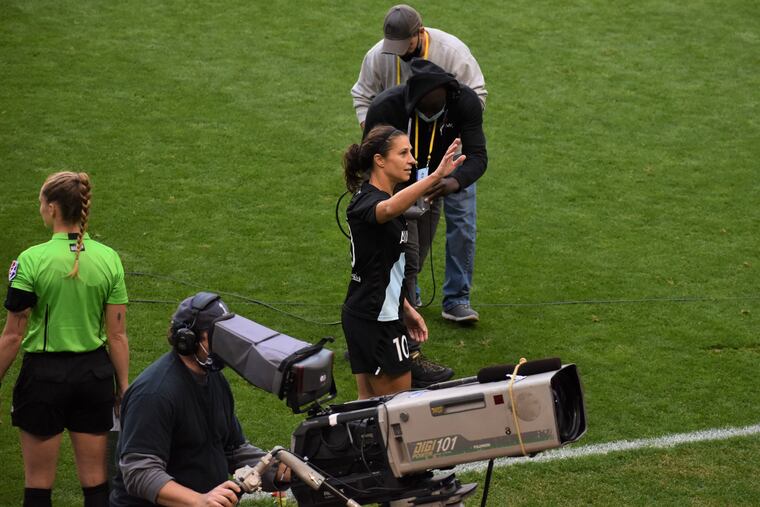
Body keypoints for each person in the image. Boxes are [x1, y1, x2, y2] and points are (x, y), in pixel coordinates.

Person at [351, 4, 488, 325]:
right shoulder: (379, 56)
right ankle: (405, 295)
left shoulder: (452, 52)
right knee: (403, 229)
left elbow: (477, 95)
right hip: (399, 158)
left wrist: (452, 126)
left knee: (462, 224)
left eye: (405, 45)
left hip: (448, 152)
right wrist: (377, 137)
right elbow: (362, 94)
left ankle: (456, 300)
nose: (399, 53)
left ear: (419, 33)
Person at [0, 171, 130, 507]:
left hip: (44, 379)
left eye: (41, 201)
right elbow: (116, 334)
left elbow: (13, 336)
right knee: (96, 486)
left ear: (54, 208)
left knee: (38, 486)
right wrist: (124, 387)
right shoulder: (108, 258)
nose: (39, 207)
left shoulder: (31, 260)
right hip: (94, 377)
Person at [362, 58, 488, 388]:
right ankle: (409, 355)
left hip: (432, 189)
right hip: (392, 196)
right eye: (421, 110)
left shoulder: (465, 103)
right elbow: (369, 162)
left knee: (403, 265)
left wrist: (452, 183)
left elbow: (478, 156)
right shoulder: (386, 108)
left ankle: (369, 335)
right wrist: (393, 201)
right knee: (406, 262)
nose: (428, 115)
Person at [110, 292, 290, 506]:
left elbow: (233, 449)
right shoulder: (154, 393)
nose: (226, 344)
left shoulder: (214, 379)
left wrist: (277, 470)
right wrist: (199, 500)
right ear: (188, 341)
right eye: (218, 337)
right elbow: (139, 472)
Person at [342, 124, 465, 398]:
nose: (412, 160)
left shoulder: (381, 198)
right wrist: (435, 176)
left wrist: (406, 307)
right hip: (376, 320)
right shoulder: (369, 202)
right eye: (404, 153)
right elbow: (387, 209)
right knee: (397, 411)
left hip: (373, 313)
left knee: (368, 408)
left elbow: (382, 268)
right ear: (380, 160)